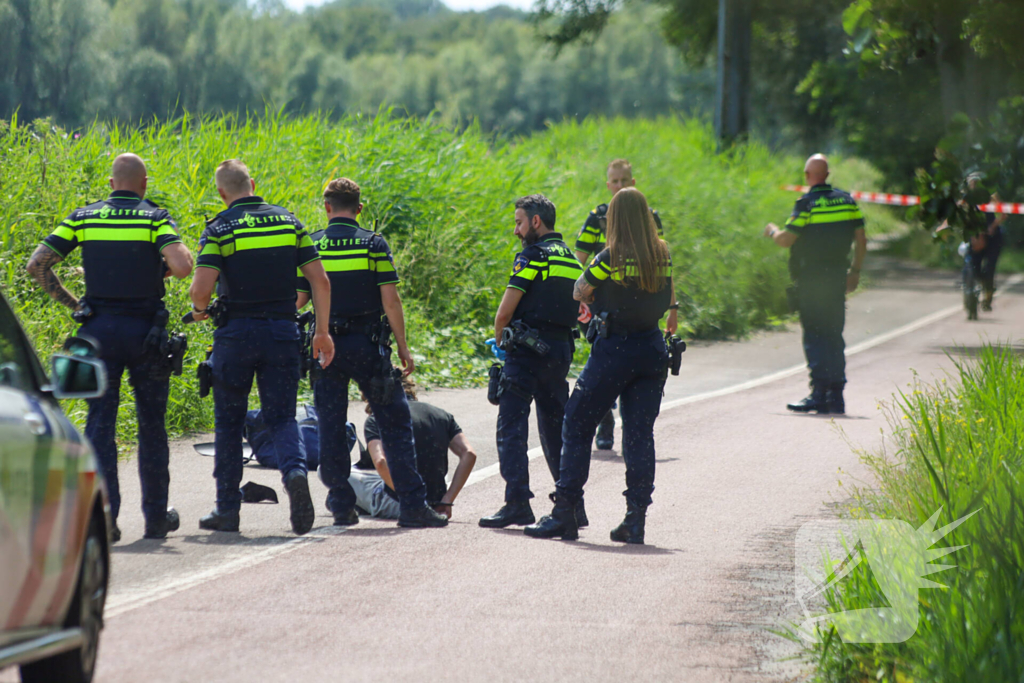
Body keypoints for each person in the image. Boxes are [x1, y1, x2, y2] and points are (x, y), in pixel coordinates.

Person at [26, 153, 194, 542]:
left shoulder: (84, 218)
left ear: (110, 183)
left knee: (100, 426)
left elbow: (37, 265)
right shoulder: (154, 218)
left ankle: (105, 518)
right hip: (145, 336)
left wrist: (76, 304)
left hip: (97, 333)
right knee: (152, 426)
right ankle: (155, 519)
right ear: (144, 184)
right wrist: (162, 262)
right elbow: (183, 267)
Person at [189, 159, 334, 535]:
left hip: (235, 336)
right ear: (252, 183)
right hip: (282, 334)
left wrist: (201, 312)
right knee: (283, 417)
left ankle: (227, 511)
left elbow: (200, 290)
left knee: (229, 421)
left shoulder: (219, 228)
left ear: (222, 193)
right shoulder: (290, 223)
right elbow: (320, 282)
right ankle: (296, 476)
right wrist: (321, 332)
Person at [526, 187, 677, 543]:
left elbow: (579, 289)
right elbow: (667, 292)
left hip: (615, 349)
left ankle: (565, 512)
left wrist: (595, 293)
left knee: (576, 423)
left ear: (617, 219)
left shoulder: (611, 255)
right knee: (640, 435)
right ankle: (635, 518)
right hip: (652, 350)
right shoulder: (662, 253)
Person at [295, 177, 448, 528]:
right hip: (368, 347)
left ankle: (341, 505)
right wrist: (404, 347)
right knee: (394, 423)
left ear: (327, 207)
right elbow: (390, 300)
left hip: (325, 347)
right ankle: (412, 505)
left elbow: (300, 299)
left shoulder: (314, 244)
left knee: (331, 426)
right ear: (359, 208)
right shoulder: (373, 244)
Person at [479, 194, 584, 530]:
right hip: (559, 353)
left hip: (524, 353)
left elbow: (505, 312)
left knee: (511, 427)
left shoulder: (532, 256)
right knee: (556, 429)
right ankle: (571, 506)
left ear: (535, 222)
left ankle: (517, 503)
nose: (516, 230)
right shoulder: (572, 259)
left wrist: (501, 340)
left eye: (519, 222)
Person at [764, 154, 866, 415]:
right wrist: (854, 271)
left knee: (815, 335)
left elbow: (787, 239)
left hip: (811, 280)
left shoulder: (806, 204)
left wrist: (773, 231)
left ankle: (819, 393)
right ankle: (836, 396)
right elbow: (861, 238)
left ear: (809, 176)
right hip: (837, 278)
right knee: (833, 335)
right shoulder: (847, 201)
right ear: (828, 175)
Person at [574, 159, 663, 451]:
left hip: (638, 307)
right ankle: (606, 423)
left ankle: (629, 431)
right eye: (615, 181)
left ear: (632, 182)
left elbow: (662, 267)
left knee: (612, 374)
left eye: (624, 181)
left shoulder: (649, 218)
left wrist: (671, 309)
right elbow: (580, 262)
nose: (620, 186)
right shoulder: (596, 217)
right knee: (602, 371)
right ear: (607, 183)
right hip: (602, 307)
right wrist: (585, 301)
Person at [347, 379, 477, 520]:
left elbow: (380, 461)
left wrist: (411, 498)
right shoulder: (441, 414)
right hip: (435, 501)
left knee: (337, 471)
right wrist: (447, 499)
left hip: (401, 503)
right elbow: (469, 454)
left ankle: (348, 503)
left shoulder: (377, 418)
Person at [966, 174, 1006, 312]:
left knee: (989, 270)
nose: (975, 186)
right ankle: (972, 290)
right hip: (976, 236)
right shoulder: (967, 198)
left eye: (977, 183)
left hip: (993, 238)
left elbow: (1004, 215)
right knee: (973, 267)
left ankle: (987, 299)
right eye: (973, 183)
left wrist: (992, 226)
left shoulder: (992, 196)